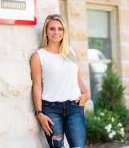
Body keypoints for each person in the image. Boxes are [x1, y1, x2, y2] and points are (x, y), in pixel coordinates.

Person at [30, 14, 90, 148]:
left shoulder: (72, 52)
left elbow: (77, 78)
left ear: (64, 32)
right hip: (51, 110)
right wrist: (39, 113)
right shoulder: (38, 56)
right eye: (52, 29)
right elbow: (37, 86)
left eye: (60, 29)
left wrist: (87, 93)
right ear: (46, 31)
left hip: (74, 107)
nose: (56, 32)